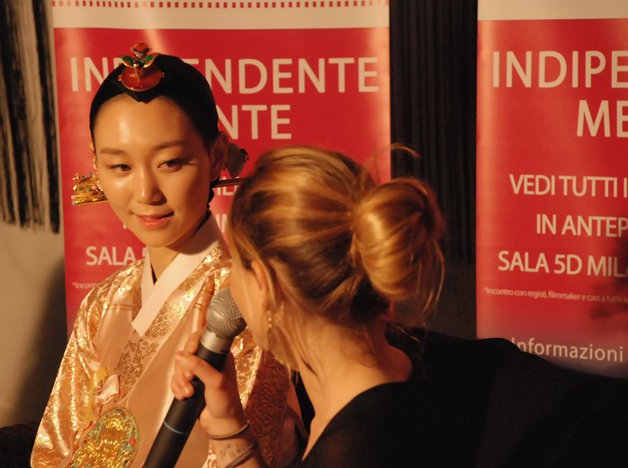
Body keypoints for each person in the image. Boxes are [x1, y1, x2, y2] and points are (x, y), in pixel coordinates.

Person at [171, 146, 628, 468]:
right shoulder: (451, 367)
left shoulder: (361, 448)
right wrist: (230, 424)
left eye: (236, 263)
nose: (229, 284)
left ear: (267, 285)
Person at [32, 43, 301, 468]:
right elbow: (54, 452)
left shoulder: (245, 301)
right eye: (120, 168)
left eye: (171, 162)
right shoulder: (101, 305)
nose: (145, 194)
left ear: (215, 156)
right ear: (96, 167)